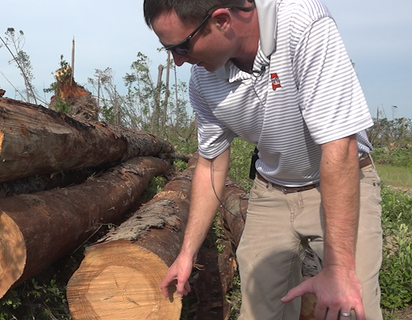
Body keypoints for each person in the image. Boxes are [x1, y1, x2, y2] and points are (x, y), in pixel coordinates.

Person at [143, 0, 383, 319]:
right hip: (271, 192)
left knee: (350, 306)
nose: (178, 61)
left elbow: (338, 146)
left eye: (183, 46)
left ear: (222, 21)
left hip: (340, 184)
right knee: (259, 312)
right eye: (168, 50)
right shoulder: (203, 82)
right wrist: (186, 254)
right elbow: (211, 163)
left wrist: (339, 268)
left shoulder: (302, 24)